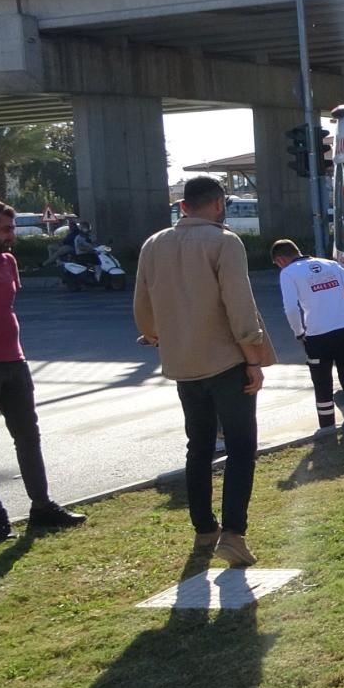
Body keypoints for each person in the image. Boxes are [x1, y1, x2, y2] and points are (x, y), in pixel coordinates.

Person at [134, 177, 277, 567]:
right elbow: (239, 305)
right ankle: (233, 533)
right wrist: (253, 358)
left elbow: (143, 305)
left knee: (198, 448)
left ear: (183, 206)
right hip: (227, 361)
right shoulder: (224, 241)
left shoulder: (153, 243)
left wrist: (157, 336)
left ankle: (204, 528)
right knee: (241, 446)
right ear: (218, 204)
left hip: (183, 363)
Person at [0, 200, 87, 544]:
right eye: (5, 229)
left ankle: (42, 507)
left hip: (13, 362)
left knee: (28, 438)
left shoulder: (8, 261)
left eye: (12, 228)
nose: (11, 236)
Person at [273, 239, 344, 429]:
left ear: (281, 259)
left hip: (317, 335)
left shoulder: (288, 273)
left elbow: (291, 308)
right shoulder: (330, 264)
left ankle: (327, 427)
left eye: (276, 263)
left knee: (322, 382)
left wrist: (299, 332)